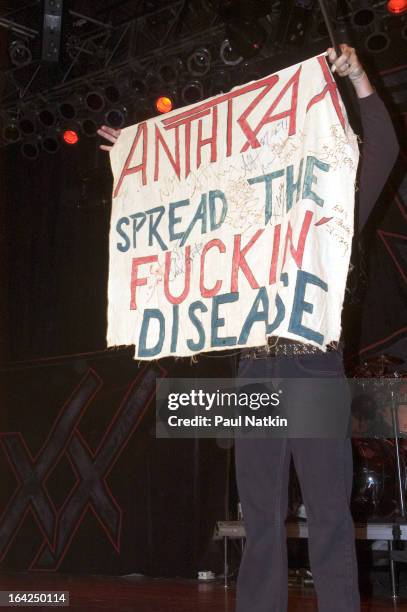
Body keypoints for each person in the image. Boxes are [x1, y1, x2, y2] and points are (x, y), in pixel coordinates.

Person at [99, 45, 399, 612]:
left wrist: (360, 80)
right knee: (259, 516)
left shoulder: (334, 210)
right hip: (254, 369)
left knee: (329, 510)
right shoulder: (244, 209)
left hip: (312, 363)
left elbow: (383, 149)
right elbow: (192, 193)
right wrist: (142, 157)